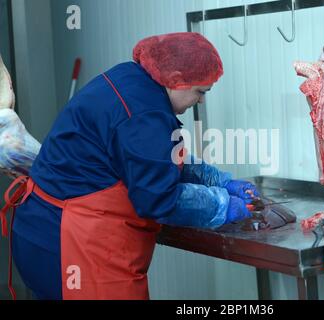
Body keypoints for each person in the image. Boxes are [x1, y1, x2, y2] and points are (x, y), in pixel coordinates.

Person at [0, 32, 260, 300]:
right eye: (200, 91)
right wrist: (222, 205)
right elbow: (159, 200)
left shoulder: (133, 80)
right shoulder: (144, 114)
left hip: (40, 231)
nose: (202, 100)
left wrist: (218, 180)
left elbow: (154, 158)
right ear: (177, 80)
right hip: (72, 249)